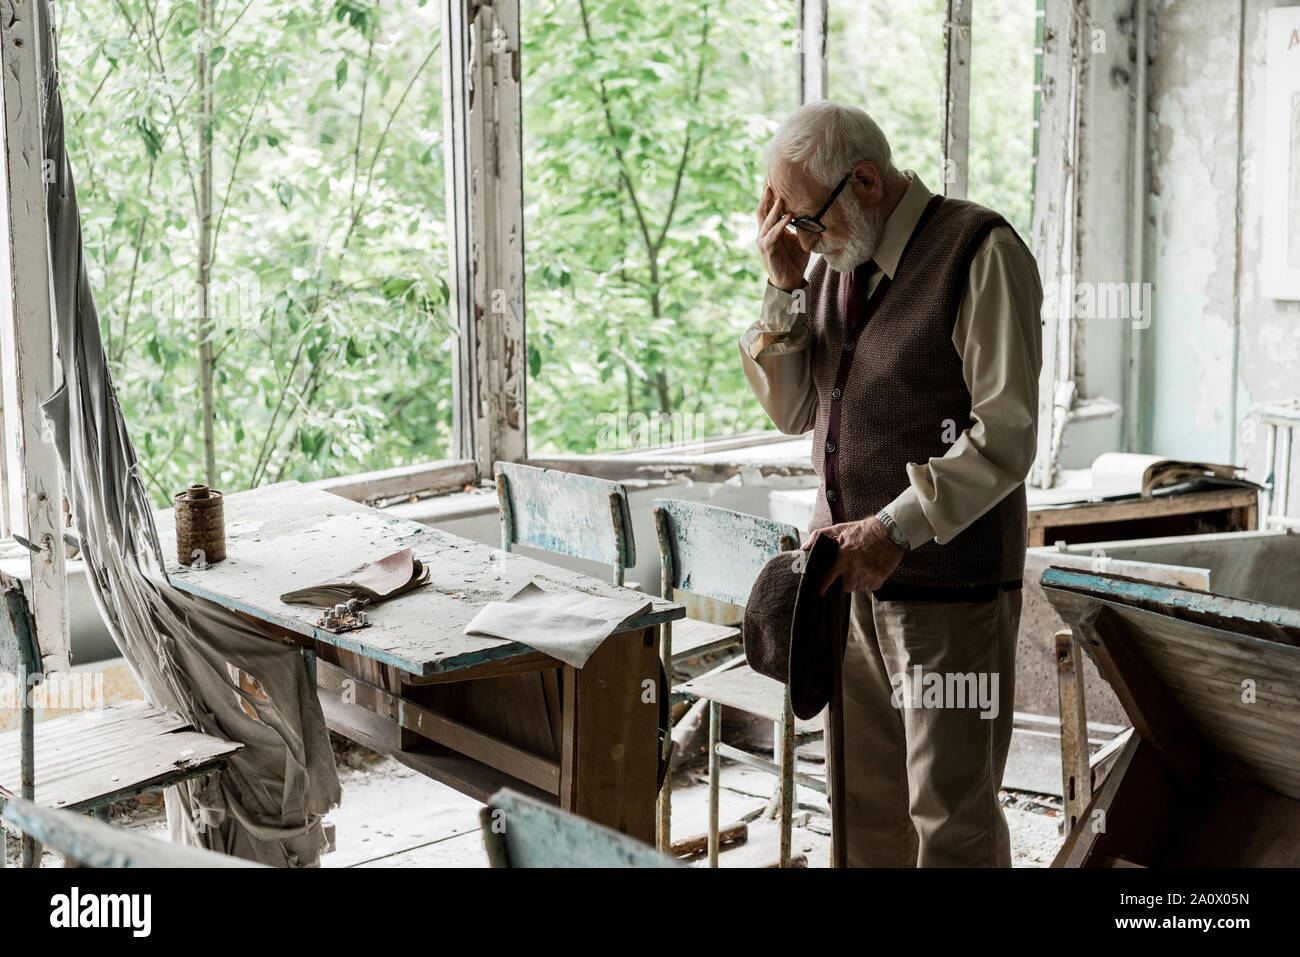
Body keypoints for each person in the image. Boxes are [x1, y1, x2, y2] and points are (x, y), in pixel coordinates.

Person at [739, 101, 1043, 867]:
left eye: (804, 221)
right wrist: (783, 289)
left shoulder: (980, 251)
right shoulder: (837, 266)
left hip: (948, 590)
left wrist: (895, 527)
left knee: (949, 823)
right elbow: (793, 410)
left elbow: (1005, 434)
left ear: (865, 181)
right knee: (865, 814)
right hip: (848, 586)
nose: (800, 241)